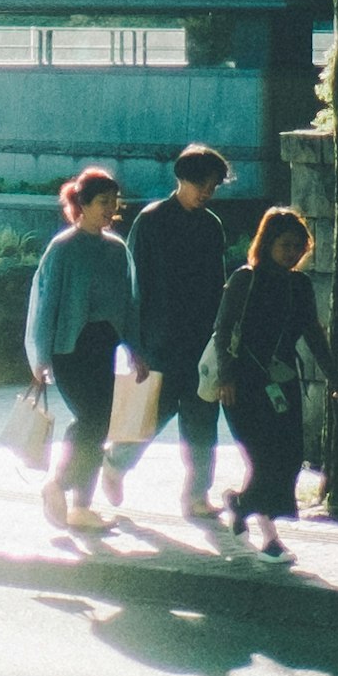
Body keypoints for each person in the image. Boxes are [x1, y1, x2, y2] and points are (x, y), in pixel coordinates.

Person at [117, 145, 237, 524]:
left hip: (201, 339)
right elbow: (134, 286)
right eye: (202, 184)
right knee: (152, 414)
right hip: (160, 339)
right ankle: (116, 462)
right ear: (182, 178)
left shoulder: (211, 225)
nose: (207, 192)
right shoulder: (152, 221)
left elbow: (218, 285)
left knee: (203, 418)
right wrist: (135, 343)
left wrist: (220, 336)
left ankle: (197, 494)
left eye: (214, 186)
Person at [210, 204, 331, 558]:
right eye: (285, 245)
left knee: (289, 457)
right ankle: (269, 537)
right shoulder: (245, 280)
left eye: (298, 246)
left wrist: (334, 376)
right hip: (244, 384)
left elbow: (313, 333)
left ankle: (241, 503)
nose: (292, 253)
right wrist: (226, 376)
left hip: (283, 382)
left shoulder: (300, 285)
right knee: (263, 459)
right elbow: (223, 331)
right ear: (267, 243)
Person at [24, 168, 138, 540]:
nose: (111, 210)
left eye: (114, 204)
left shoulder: (117, 249)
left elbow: (130, 304)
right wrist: (40, 358)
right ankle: (58, 483)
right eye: (104, 203)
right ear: (83, 204)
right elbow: (46, 305)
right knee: (91, 418)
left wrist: (136, 350)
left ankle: (81, 506)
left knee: (101, 424)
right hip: (69, 349)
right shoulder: (63, 248)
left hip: (105, 347)